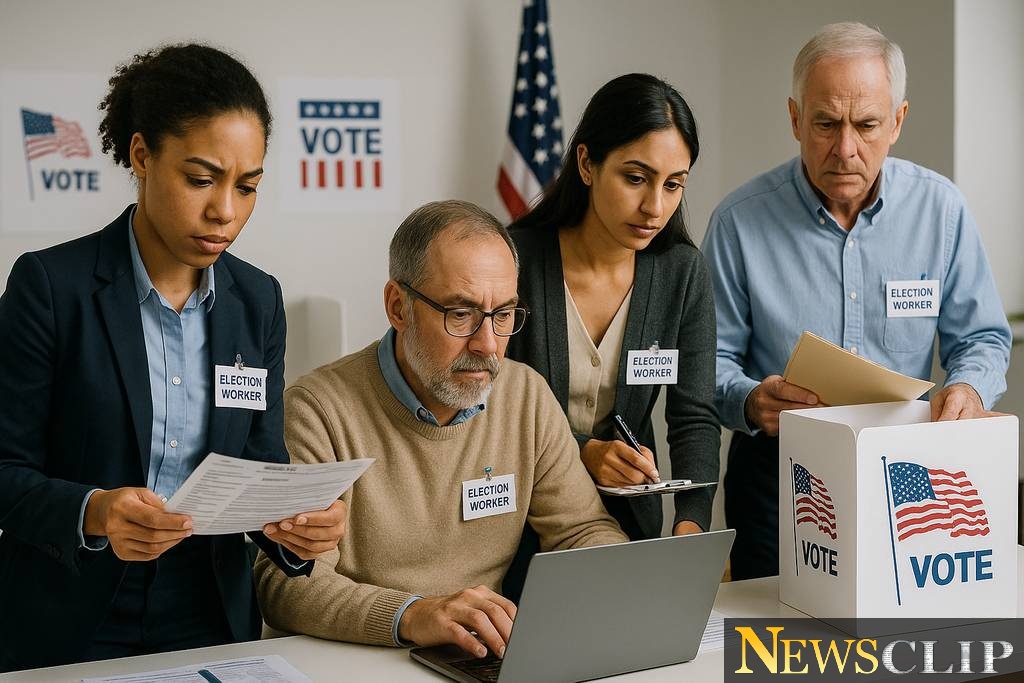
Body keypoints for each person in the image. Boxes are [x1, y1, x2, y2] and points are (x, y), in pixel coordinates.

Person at [0, 44, 347, 672]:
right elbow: (5, 469)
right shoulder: (50, 287)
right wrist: (95, 512)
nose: (225, 212)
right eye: (201, 179)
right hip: (74, 615)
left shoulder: (258, 301)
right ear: (141, 155)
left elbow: (260, 463)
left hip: (210, 613)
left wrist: (296, 530)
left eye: (247, 187)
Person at [702, 22, 1012, 580]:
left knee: (904, 622)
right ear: (795, 119)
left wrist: (968, 387)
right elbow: (708, 361)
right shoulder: (738, 222)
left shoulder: (941, 211)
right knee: (776, 630)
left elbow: (982, 337)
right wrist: (749, 401)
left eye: (866, 125)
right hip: (780, 474)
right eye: (825, 123)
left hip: (906, 467)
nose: (845, 149)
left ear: (897, 121)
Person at [255, 200, 627, 659]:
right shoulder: (318, 409)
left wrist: (613, 585)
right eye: (461, 313)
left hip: (475, 657)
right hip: (354, 659)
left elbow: (583, 530)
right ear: (398, 307)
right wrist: (412, 615)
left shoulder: (526, 396)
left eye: (503, 314)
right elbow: (286, 584)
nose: (487, 344)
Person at [502, 73, 720, 598]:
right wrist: (582, 450)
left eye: (674, 184)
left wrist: (690, 525)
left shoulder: (683, 272)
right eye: (636, 178)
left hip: (630, 528)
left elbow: (693, 417)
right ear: (586, 164)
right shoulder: (515, 260)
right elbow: (487, 412)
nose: (655, 207)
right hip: (515, 529)